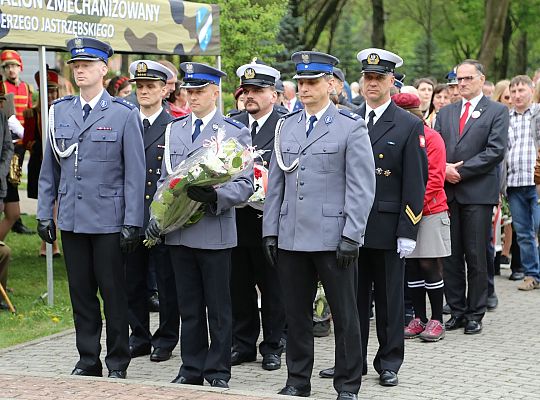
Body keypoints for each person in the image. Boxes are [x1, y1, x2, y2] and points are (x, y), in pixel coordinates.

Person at [263, 50, 376, 400]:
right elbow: (276, 184)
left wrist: (352, 234)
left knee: (345, 315)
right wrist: (270, 230)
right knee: (295, 314)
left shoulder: (349, 126)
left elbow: (361, 186)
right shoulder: (287, 125)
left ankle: (347, 384)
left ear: (330, 84)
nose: (305, 88)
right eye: (301, 82)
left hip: (333, 237)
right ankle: (298, 379)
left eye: (312, 82)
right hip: (292, 236)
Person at [37, 37, 145, 378]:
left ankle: (117, 362)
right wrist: (44, 212)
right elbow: (49, 169)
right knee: (81, 294)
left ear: (104, 69)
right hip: (71, 218)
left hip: (109, 221)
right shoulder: (60, 111)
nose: (80, 70)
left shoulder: (123, 113)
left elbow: (135, 173)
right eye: (76, 66)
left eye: (86, 65)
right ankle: (87, 359)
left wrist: (132, 221)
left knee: (113, 294)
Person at [145, 62, 253, 388]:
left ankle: (218, 371)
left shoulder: (233, 131)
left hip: (214, 229)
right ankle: (191, 368)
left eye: (199, 91)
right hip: (179, 232)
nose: (191, 97)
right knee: (188, 306)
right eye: (188, 91)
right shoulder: (174, 129)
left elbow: (245, 183)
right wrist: (156, 217)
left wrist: (214, 196)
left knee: (218, 308)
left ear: (214, 93)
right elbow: (166, 180)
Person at [435, 59, 509, 335]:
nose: (462, 83)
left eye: (467, 78)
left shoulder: (497, 111)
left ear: (481, 79)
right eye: (459, 79)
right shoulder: (446, 113)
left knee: (477, 256)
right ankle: (457, 310)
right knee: (452, 256)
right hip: (449, 193)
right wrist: (443, 169)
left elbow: (495, 151)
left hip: (477, 193)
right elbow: (437, 146)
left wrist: (459, 172)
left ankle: (476, 312)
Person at [229, 61, 287, 371]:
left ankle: (274, 345)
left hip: (270, 220)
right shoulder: (232, 124)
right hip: (235, 218)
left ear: (274, 95)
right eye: (246, 91)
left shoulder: (286, 125)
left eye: (258, 91)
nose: (249, 96)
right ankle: (243, 344)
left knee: (272, 285)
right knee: (238, 284)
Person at [124, 59, 180, 363]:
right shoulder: (126, 121)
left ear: (164, 90)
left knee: (166, 283)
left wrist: (164, 215)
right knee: (132, 280)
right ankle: (139, 335)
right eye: (140, 87)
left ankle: (166, 338)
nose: (144, 91)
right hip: (133, 215)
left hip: (163, 217)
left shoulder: (174, 126)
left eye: (150, 87)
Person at [392, 93, 450, 342]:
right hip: (405, 211)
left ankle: (437, 319)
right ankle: (419, 317)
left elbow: (435, 179)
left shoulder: (432, 138)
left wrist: (411, 205)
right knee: (412, 266)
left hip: (429, 211)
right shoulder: (396, 137)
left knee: (430, 264)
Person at [506, 75, 540, 291]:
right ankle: (532, 275)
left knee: (539, 226)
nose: (517, 95)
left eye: (522, 90)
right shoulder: (506, 117)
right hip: (514, 182)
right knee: (524, 231)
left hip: (537, 182)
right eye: (514, 92)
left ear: (531, 90)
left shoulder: (538, 113)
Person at [22, 68, 61, 256]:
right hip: (40, 163)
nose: (51, 94)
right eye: (48, 91)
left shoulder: (64, 111)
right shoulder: (32, 114)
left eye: (54, 90)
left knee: (57, 205)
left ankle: (50, 245)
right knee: (47, 204)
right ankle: (48, 245)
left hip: (61, 164)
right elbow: (27, 141)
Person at [1, 50, 33, 235]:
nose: (11, 70)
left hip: (22, 143)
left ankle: (14, 217)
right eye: (7, 67)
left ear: (20, 67)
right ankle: (14, 217)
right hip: (8, 143)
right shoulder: (2, 88)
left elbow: (28, 113)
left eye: (14, 66)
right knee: (11, 179)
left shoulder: (27, 88)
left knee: (15, 177)